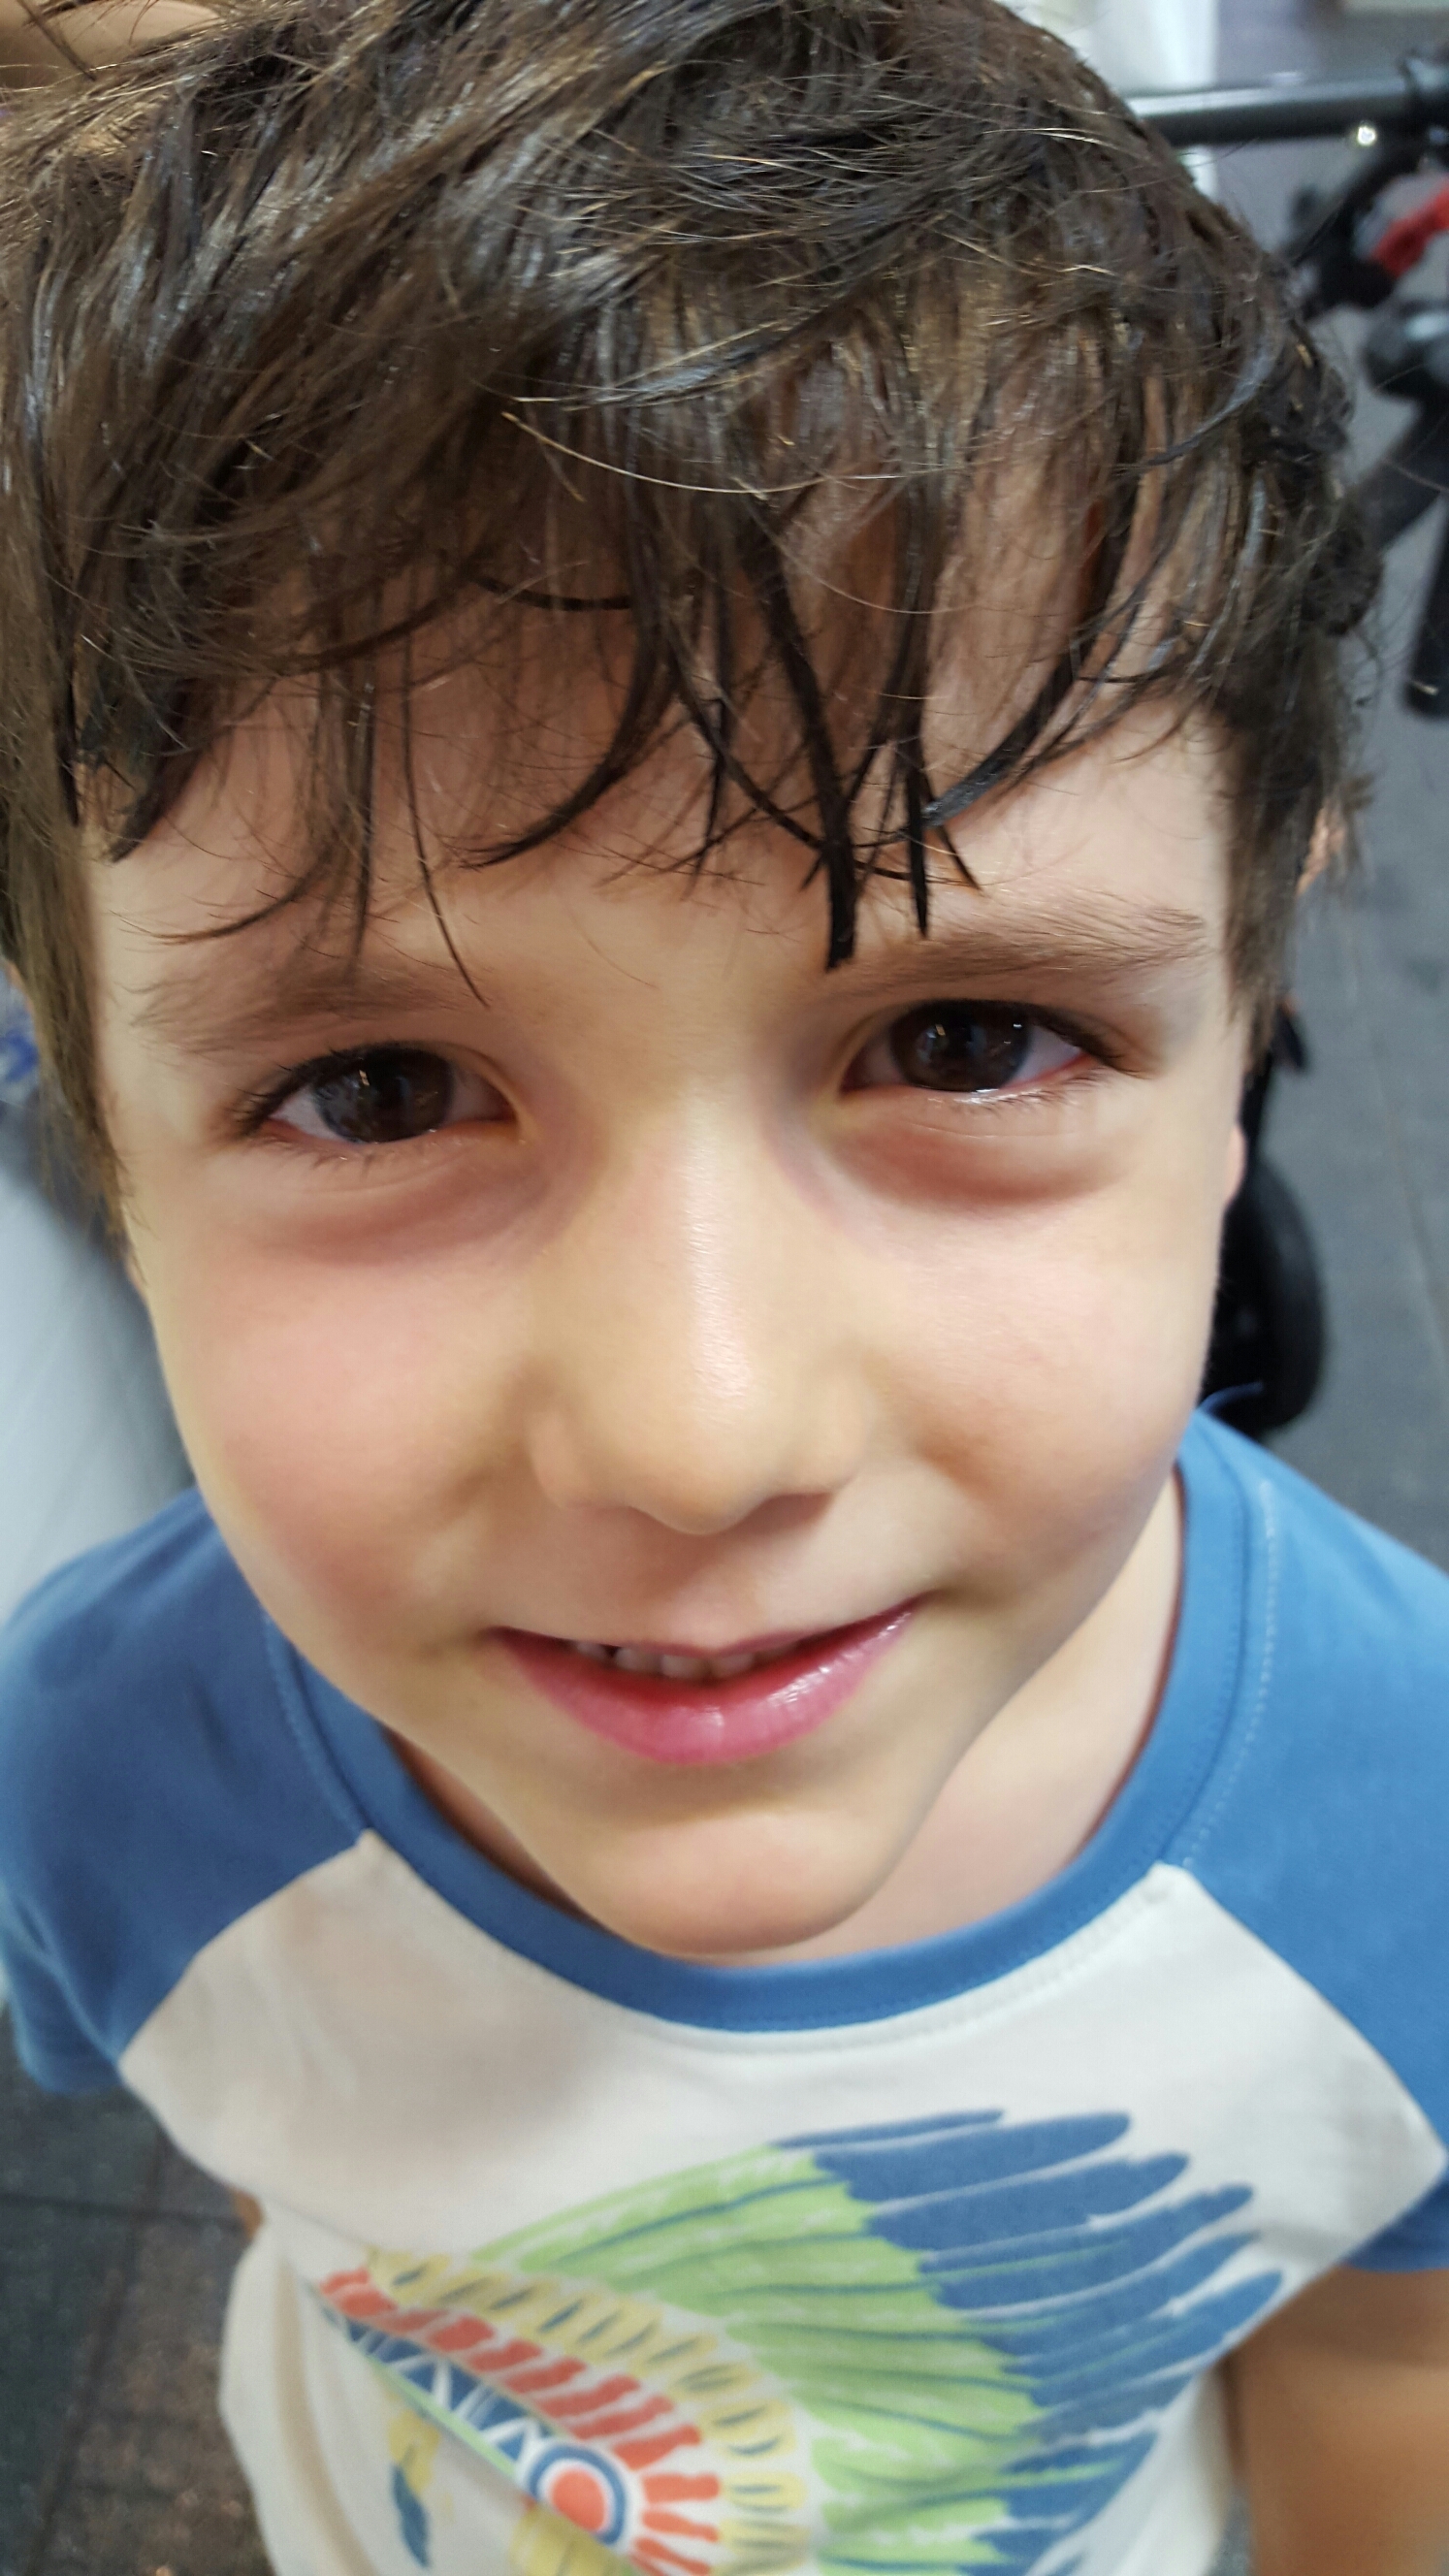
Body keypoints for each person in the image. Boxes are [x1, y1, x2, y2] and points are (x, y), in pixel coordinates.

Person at [0, 4, 1444, 2573]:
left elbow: (1385, 2402)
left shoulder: (1416, 1840)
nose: (699, 1430)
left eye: (967, 1041)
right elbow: (284, 2164)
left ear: (1251, 1014)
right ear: (94, 1110)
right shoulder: (97, 1780)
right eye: (378, 1090)